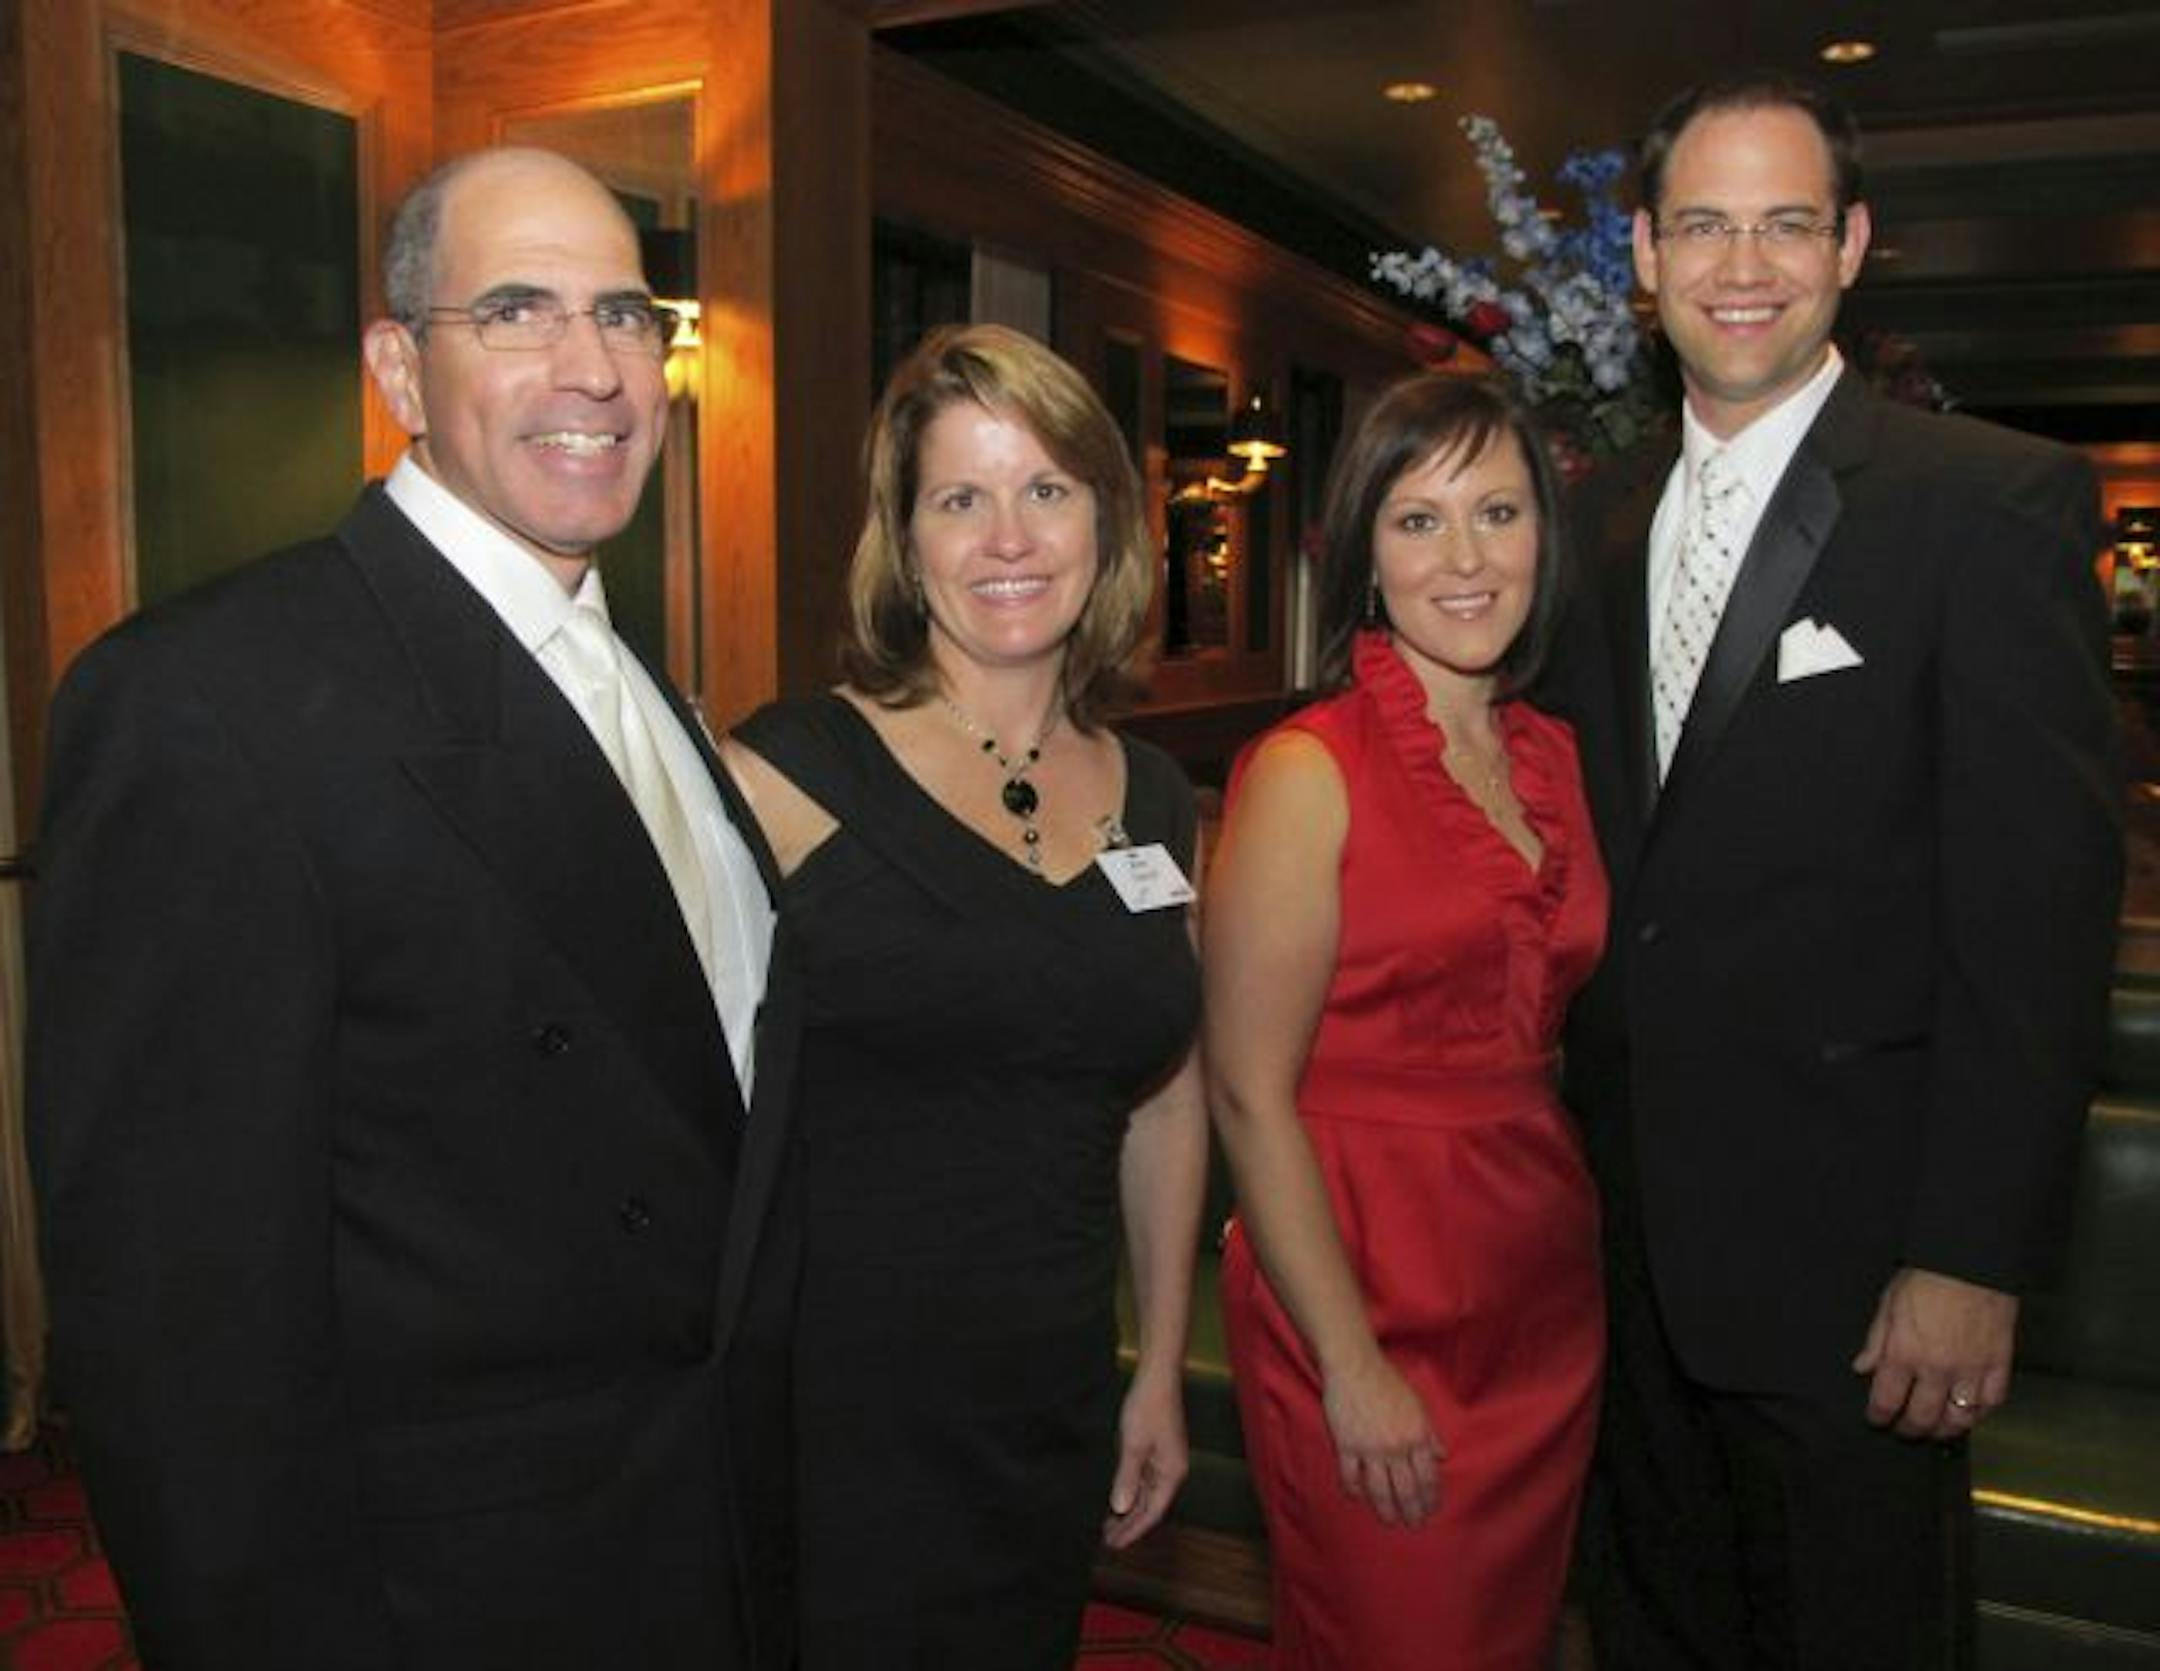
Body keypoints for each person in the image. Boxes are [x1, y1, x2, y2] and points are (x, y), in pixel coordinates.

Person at [28, 148, 800, 1671]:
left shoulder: (634, 680)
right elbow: (176, 1326)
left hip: (699, 1534)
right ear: (398, 371)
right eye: (516, 312)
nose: (594, 368)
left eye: (626, 315)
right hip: (454, 1597)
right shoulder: (206, 702)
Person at [1555, 77, 2122, 1669]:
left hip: (1858, 1277)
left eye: (1786, 224)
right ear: (1645, 258)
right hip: (1620, 1263)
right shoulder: (1592, 523)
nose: (1744, 266)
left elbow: (2036, 925)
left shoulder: (1986, 505)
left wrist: (1972, 1256)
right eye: (1704, 225)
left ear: (1852, 246)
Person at [720, 322, 1206, 1669]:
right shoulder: (786, 776)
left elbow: (1166, 1104)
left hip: (1048, 1404)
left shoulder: (1157, 801)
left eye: (1047, 489)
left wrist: (1159, 1368)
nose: (1008, 538)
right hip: (833, 1420)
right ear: (904, 536)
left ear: (1107, 521)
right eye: (959, 498)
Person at [1205, 373, 1606, 1669]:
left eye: (1498, 512)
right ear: (1365, 556)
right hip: (1363, 1284)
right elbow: (1246, 1092)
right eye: (1420, 521)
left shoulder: (1561, 759)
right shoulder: (1306, 770)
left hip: (1539, 1288)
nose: (1466, 559)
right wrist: (1349, 1362)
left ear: (1544, 536)